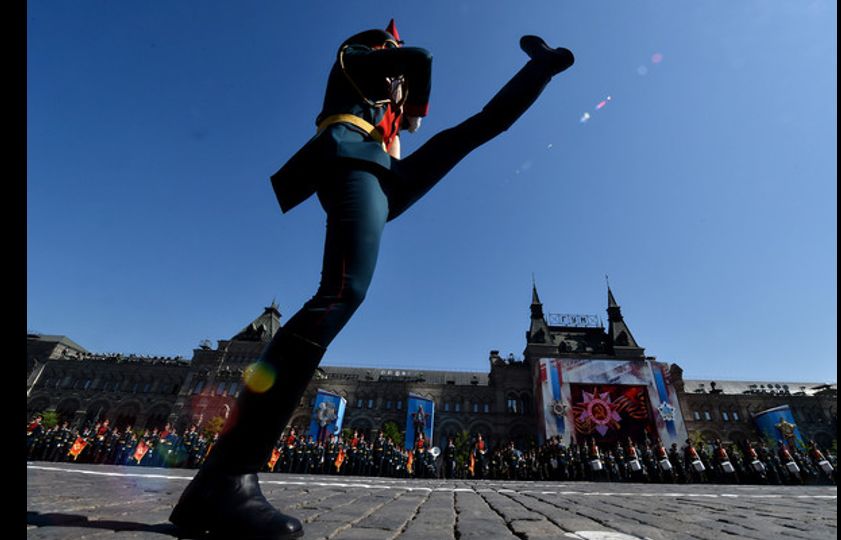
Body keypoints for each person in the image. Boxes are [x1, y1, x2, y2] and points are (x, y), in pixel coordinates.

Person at [169, 19, 573, 539]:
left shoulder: (389, 108)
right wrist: (408, 89)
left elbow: (474, 113)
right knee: (341, 292)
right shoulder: (355, 61)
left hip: (385, 172)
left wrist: (539, 69)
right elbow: (417, 57)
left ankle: (540, 67)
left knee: (475, 130)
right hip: (350, 154)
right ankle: (223, 478)